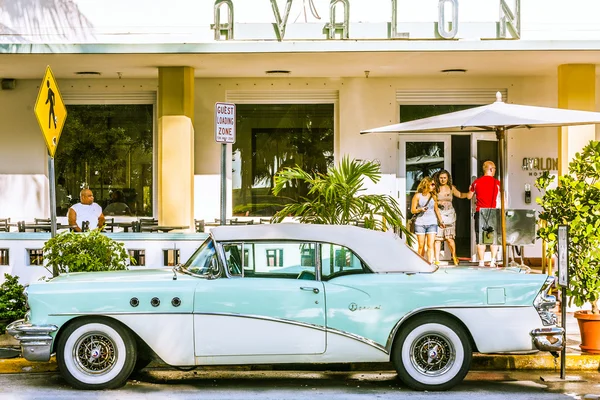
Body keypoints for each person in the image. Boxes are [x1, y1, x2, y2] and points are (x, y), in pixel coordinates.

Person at [467, 161, 501, 267]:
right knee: (493, 238)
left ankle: (481, 261)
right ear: (490, 169)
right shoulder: (497, 183)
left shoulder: (476, 183)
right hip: (493, 212)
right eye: (494, 168)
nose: (495, 170)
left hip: (480, 212)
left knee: (480, 238)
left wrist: (470, 189)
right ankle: (492, 261)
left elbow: (469, 196)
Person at [433, 170, 468, 266]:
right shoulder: (435, 189)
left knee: (449, 238)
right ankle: (436, 259)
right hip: (439, 214)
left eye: (444, 177)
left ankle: (454, 256)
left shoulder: (451, 188)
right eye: (441, 178)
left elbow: (460, 195)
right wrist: (439, 219)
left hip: (450, 215)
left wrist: (469, 194)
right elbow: (435, 204)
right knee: (437, 239)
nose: (443, 180)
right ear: (438, 178)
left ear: (448, 178)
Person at [410, 176, 445, 264]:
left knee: (430, 245)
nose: (434, 186)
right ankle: (420, 263)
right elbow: (413, 210)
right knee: (421, 246)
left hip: (432, 223)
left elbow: (436, 210)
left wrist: (441, 221)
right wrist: (420, 209)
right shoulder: (417, 196)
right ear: (427, 184)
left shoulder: (433, 196)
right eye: (432, 184)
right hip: (420, 223)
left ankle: (430, 263)